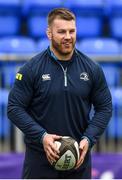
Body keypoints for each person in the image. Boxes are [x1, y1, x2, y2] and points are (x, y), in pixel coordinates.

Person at [7, 8, 112, 179]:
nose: (68, 37)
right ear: (49, 33)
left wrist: (88, 139)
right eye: (61, 32)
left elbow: (105, 108)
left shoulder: (92, 69)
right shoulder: (31, 69)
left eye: (72, 31)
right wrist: (42, 137)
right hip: (39, 163)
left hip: (79, 162)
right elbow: (14, 108)